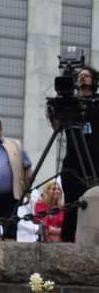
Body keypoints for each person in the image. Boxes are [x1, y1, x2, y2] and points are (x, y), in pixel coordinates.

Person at [52, 65, 99, 242]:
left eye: (86, 76)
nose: (82, 78)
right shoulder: (70, 105)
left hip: (95, 162)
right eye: (79, 76)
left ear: (94, 81)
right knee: (72, 205)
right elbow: (56, 127)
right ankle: (67, 241)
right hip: (73, 162)